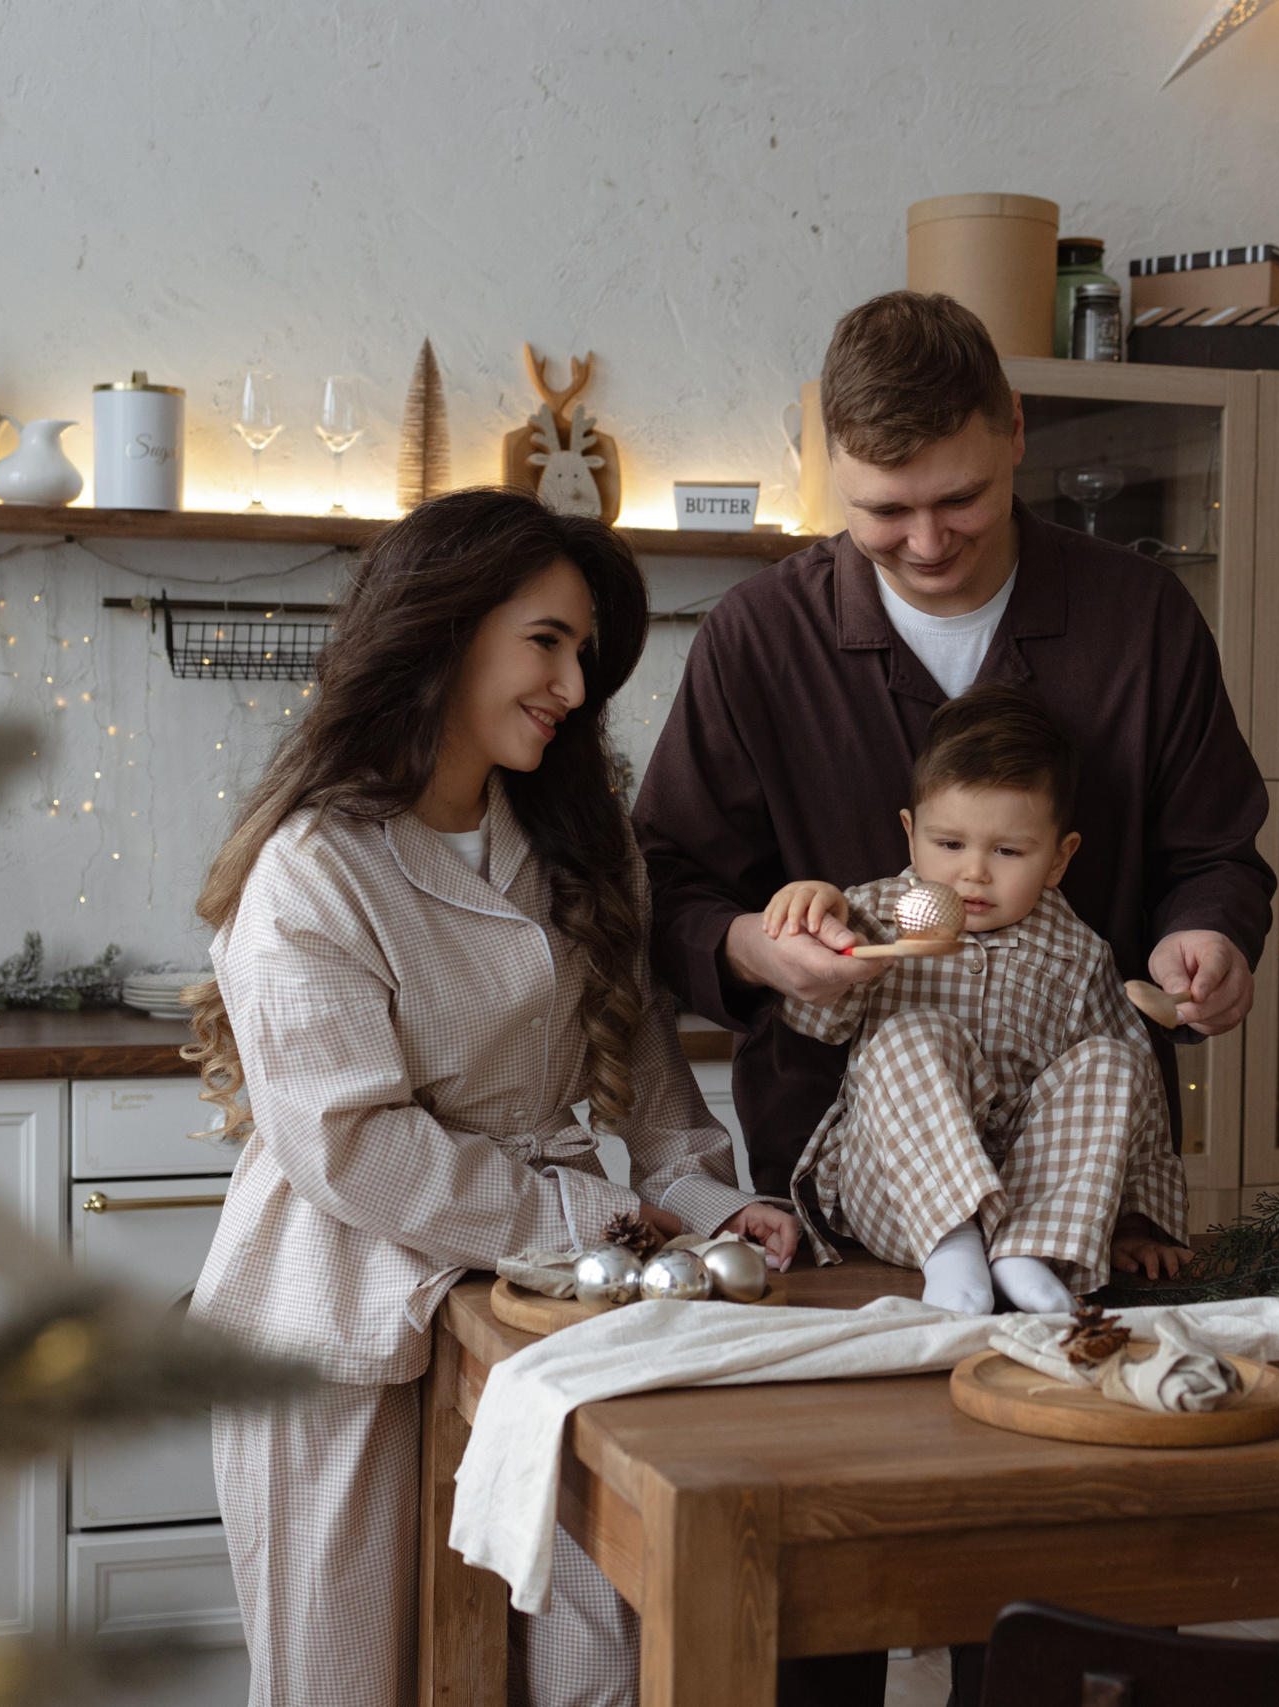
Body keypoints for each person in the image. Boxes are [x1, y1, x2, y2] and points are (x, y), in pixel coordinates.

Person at [632, 290, 1272, 1707]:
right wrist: (751, 949)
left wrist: (1207, 937)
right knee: (824, 1584)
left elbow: (1220, 850)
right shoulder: (756, 639)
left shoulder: (1138, 617)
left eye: (959, 501)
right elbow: (668, 885)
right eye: (882, 511)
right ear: (829, 474)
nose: (925, 541)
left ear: (1016, 432)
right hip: (836, 1201)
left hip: (1074, 1189)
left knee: (1050, 1580)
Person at [184, 489, 801, 1707]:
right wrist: (583, 1220)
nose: (572, 686)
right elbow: (352, 1146)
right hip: (342, 1305)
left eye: (584, 654)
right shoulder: (314, 866)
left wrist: (706, 1200)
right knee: (350, 1677)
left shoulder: (579, 837)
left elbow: (645, 1068)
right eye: (545, 643)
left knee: (591, 1657)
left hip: (542, 1313)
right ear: (444, 631)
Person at [764, 681, 1192, 1315]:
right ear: (911, 834)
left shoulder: (1079, 952)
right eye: (949, 844)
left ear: (1058, 859)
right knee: (915, 1033)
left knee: (1117, 1059)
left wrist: (1136, 1221)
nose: (974, 872)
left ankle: (1027, 1253)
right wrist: (813, 921)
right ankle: (952, 1246)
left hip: (1031, 1191)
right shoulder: (873, 915)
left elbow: (1137, 1103)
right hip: (896, 1189)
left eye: (1008, 851)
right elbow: (813, 1019)